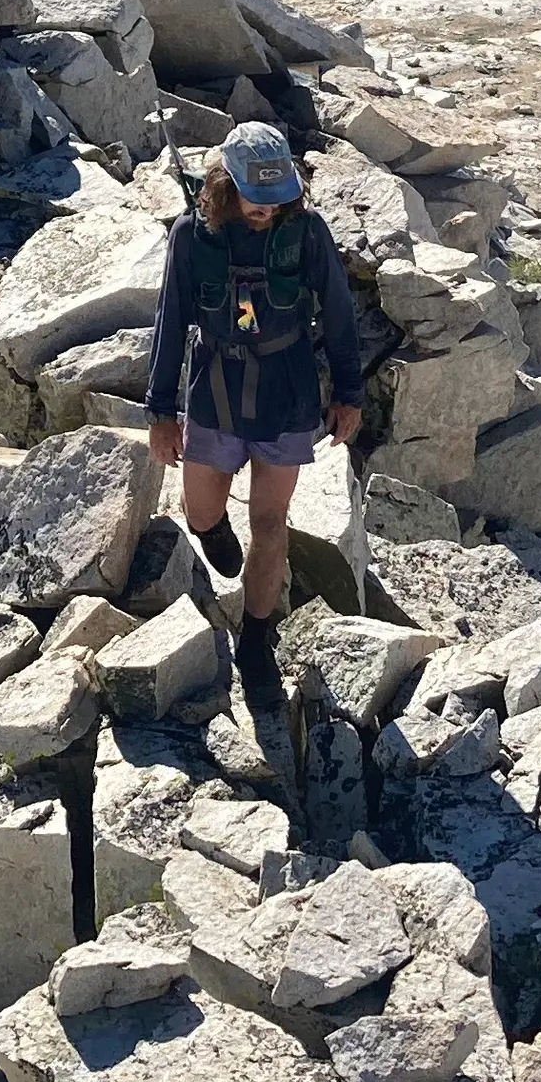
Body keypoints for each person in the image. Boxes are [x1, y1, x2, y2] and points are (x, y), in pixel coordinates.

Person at [143, 118, 363, 703]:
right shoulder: (193, 236)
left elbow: (339, 314)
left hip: (286, 394)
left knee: (271, 525)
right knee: (200, 511)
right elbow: (169, 324)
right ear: (226, 184)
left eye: (276, 197)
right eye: (254, 197)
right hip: (215, 389)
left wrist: (349, 394)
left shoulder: (306, 233)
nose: (266, 209)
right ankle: (211, 529)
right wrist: (160, 413)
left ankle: (257, 641)